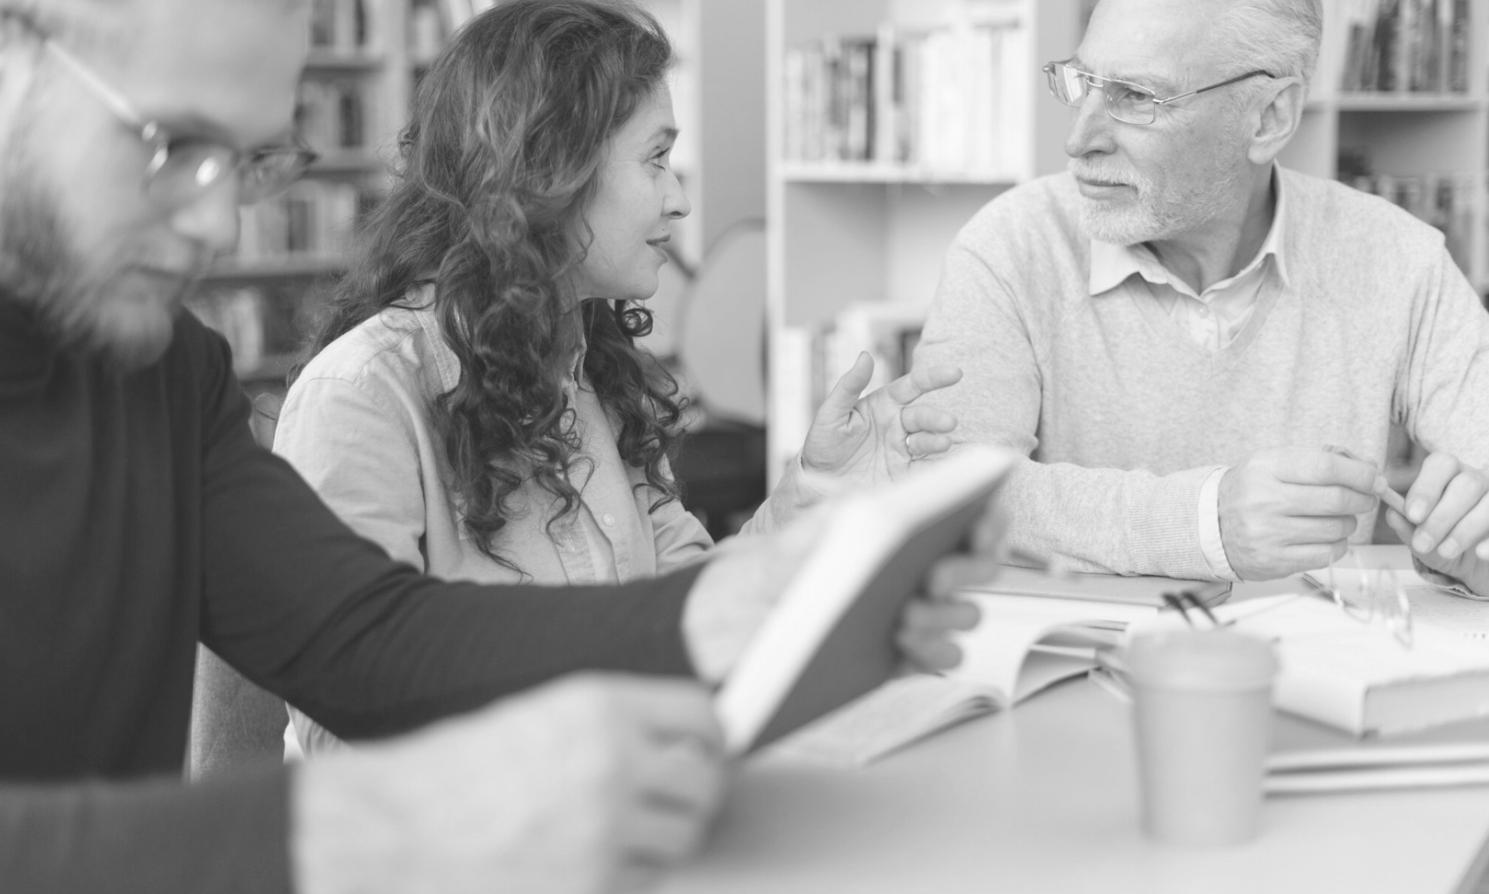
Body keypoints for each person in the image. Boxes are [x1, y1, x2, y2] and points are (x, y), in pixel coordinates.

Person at [0, 0, 997, 891]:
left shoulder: (165, 373)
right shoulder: (360, 387)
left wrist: (732, 610)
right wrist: (383, 822)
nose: (217, 222)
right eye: (174, 143)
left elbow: (362, 639)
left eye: (255, 162)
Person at [273, 0, 965, 754]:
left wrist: (815, 494)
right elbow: (345, 729)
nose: (681, 197)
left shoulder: (587, 370)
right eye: (655, 158)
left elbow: (688, 610)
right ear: (549, 169)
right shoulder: (363, 395)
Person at [913, 0, 1489, 593]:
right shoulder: (1010, 245)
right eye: (1084, 83)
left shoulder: (1399, 258)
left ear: (1268, 117)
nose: (1079, 138)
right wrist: (1204, 523)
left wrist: (1476, 551)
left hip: (1311, 672)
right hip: (1060, 670)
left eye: (1136, 96)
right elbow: (956, 494)